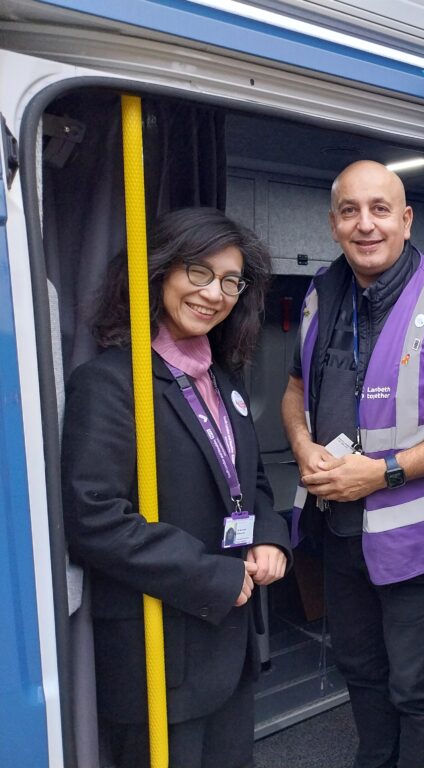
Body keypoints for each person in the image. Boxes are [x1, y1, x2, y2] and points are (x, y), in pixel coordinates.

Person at [281, 160, 424, 768]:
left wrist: (384, 473)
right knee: (361, 671)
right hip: (340, 534)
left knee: (417, 689)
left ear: (405, 220)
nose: (365, 224)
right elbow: (295, 392)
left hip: (420, 549)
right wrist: (300, 445)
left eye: (380, 209)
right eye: (350, 210)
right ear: (333, 224)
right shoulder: (322, 294)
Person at [62, 207, 292, 768]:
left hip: (230, 644)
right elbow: (95, 518)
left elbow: (251, 479)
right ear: (161, 271)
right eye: (199, 272)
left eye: (231, 281)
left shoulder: (224, 378)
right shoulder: (112, 383)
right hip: (159, 654)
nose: (215, 293)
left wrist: (268, 535)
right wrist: (217, 575)